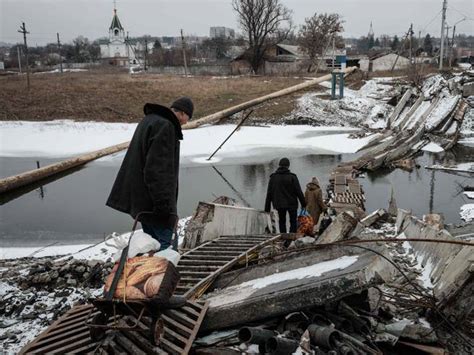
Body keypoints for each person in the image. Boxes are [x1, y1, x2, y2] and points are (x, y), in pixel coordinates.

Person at [106, 97, 194, 250]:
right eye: (188, 117)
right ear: (181, 113)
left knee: (152, 245)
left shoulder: (150, 120)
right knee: (167, 248)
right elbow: (158, 171)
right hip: (155, 206)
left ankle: (152, 271)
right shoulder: (165, 126)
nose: (186, 122)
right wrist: (164, 208)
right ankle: (163, 272)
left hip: (142, 201)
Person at [264, 158, 306, 233]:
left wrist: (267, 208)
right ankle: (291, 237)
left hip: (279, 204)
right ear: (288, 166)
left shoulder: (273, 177)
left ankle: (283, 237)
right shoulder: (292, 177)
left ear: (279, 165)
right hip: (292, 203)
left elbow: (269, 193)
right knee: (293, 221)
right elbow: (298, 191)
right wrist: (304, 204)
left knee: (282, 221)